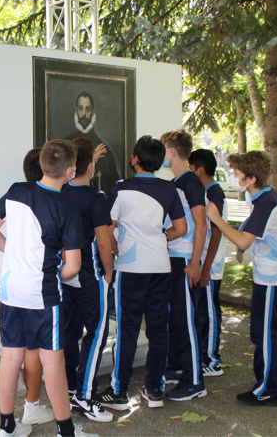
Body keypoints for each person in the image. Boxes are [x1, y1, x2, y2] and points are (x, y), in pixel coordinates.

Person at [0, 140, 97, 437]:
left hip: (10, 289)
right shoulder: (67, 209)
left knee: (11, 357)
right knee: (52, 361)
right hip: (42, 293)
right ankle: (66, 431)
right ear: (70, 171)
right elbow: (71, 267)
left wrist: (16, 253)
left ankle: (7, 427)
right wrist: (45, 269)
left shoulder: (16, 191)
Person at [95, 135, 186, 411]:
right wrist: (158, 239)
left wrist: (118, 250)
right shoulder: (170, 189)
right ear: (159, 163)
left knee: (128, 329)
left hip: (131, 269)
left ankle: (119, 391)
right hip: (161, 265)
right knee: (159, 329)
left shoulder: (121, 188)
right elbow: (181, 229)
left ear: (135, 159)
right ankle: (154, 389)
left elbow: (106, 229)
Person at [206, 151, 277, 406]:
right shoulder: (264, 195)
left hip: (272, 278)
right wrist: (245, 241)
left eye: (237, 174)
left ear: (252, 178)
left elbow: (244, 238)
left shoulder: (265, 201)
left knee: (262, 333)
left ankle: (267, 390)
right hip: (274, 274)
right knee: (270, 329)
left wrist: (217, 220)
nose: (233, 177)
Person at [0, 148, 55, 427]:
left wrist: (12, 249)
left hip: (7, 281)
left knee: (11, 351)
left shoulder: (13, 194)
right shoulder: (51, 201)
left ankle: (8, 423)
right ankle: (31, 406)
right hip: (33, 286)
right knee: (35, 352)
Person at [60, 138, 113, 422]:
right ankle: (84, 395)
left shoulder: (60, 191)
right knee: (96, 333)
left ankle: (70, 386)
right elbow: (103, 243)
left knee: (69, 331)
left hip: (65, 273)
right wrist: (109, 271)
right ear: (91, 166)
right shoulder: (96, 198)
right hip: (90, 274)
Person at [160, 129, 208, 401]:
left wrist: (195, 262)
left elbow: (201, 225)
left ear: (171, 152)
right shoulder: (178, 181)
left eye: (163, 148)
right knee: (176, 318)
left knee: (186, 320)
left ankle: (194, 381)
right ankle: (178, 367)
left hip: (185, 257)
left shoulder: (190, 182)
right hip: (175, 257)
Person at [188, 149, 228, 378]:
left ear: (199, 169)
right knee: (201, 313)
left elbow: (216, 233)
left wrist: (205, 268)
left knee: (211, 314)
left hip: (210, 267)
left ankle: (212, 360)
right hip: (204, 264)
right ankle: (203, 356)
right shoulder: (204, 191)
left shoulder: (214, 193)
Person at [65, 92, 120, 194]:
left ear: (93, 112)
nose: (84, 114)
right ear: (76, 110)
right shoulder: (66, 144)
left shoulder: (103, 149)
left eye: (88, 109)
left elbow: (113, 187)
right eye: (81, 108)